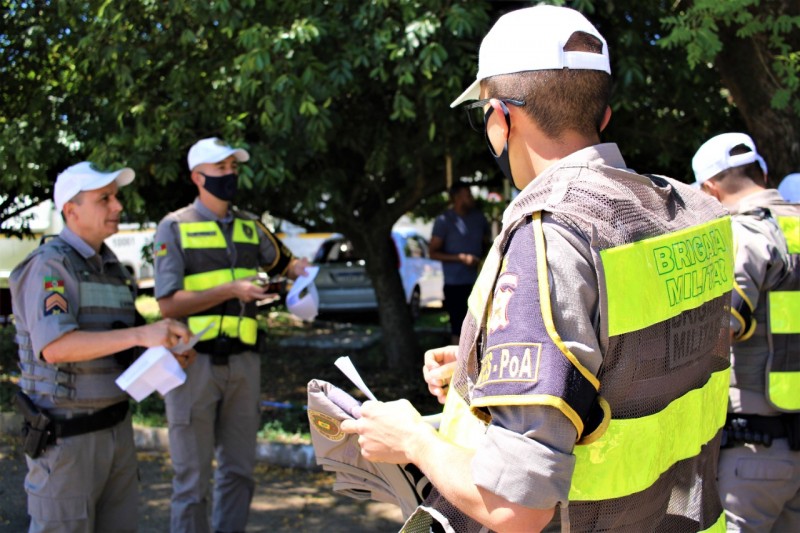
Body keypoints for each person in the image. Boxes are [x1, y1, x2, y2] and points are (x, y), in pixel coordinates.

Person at [341, 6, 734, 532]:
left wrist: (413, 438)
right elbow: (641, 360)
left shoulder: (551, 232)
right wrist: (487, 364)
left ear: (501, 119)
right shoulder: (696, 214)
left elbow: (515, 508)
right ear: (604, 115)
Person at [9, 161, 193, 532]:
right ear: (71, 210)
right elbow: (56, 347)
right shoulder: (50, 265)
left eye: (116, 197)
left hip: (116, 432)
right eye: (104, 198)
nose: (118, 206)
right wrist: (142, 336)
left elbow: (120, 344)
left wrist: (166, 354)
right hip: (66, 442)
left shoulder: (114, 271)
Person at [153, 137, 309, 533]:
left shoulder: (250, 225)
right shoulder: (173, 227)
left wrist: (300, 274)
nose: (230, 175)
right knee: (192, 481)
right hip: (193, 366)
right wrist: (231, 290)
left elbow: (287, 265)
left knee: (239, 472)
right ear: (197, 177)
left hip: (244, 364)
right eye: (221, 169)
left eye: (233, 168)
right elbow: (168, 306)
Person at [692, 133, 800, 531]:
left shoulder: (745, 234)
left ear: (710, 189)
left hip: (754, 450)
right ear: (764, 173)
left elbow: (721, 330)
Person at [429, 182, 490, 344]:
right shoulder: (444, 221)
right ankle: (459, 367)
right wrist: (461, 258)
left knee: (480, 327)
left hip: (478, 283)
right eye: (467, 194)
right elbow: (433, 253)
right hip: (455, 284)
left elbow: (487, 244)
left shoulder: (479, 218)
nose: (471, 198)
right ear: (457, 197)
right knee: (458, 328)